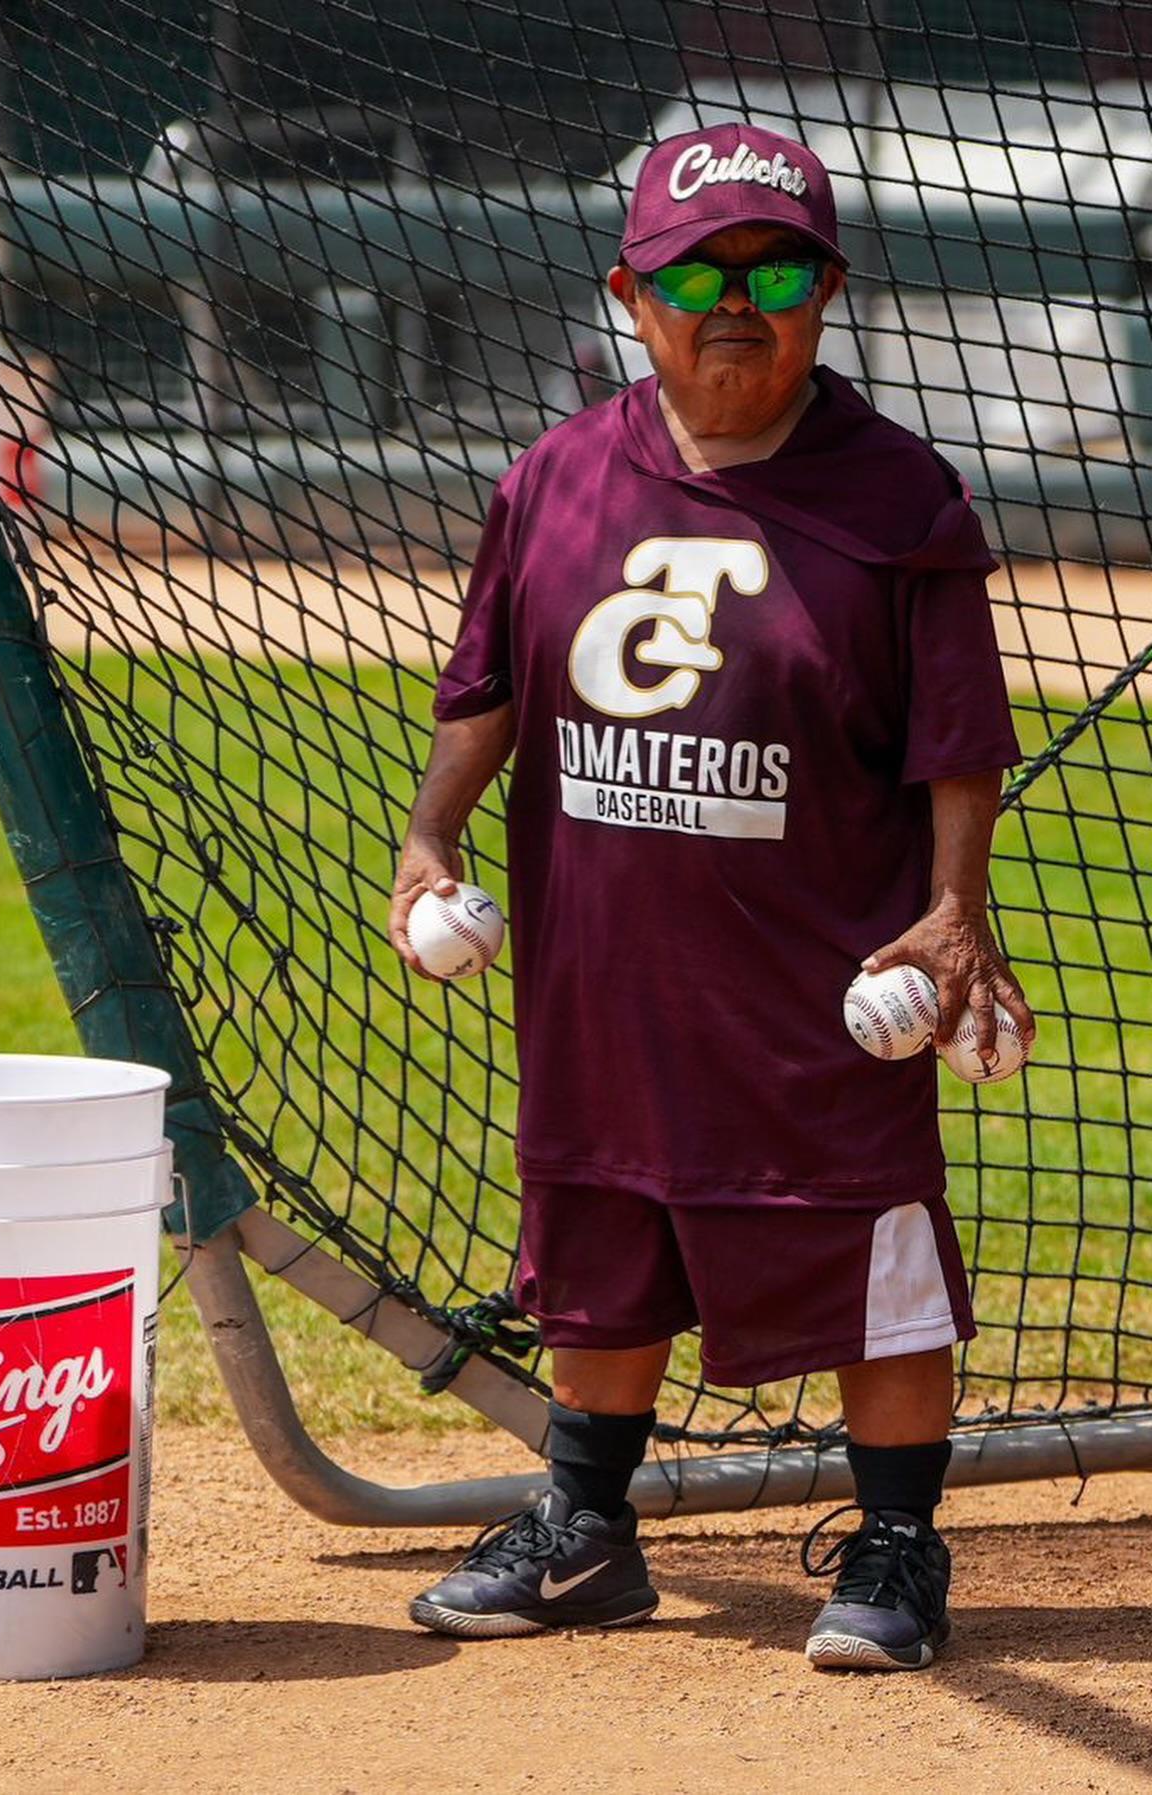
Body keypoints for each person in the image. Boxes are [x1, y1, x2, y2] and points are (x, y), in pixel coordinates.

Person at [387, 122, 1034, 1670]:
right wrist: (433, 839)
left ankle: (894, 1552)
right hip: (605, 969)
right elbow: (487, 685)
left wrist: (956, 917)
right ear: (631, 290)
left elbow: (959, 742)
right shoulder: (554, 474)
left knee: (873, 1259)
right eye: (696, 271)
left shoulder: (901, 498)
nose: (734, 300)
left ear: (826, 291)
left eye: (778, 265)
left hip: (820, 978)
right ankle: (587, 1533)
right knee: (601, 1232)